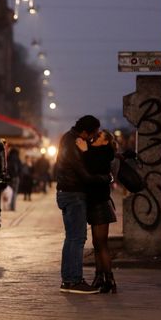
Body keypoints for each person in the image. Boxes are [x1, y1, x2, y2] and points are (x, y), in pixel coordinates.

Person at [55, 115, 111, 294]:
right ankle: (73, 280)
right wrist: (105, 178)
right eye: (93, 134)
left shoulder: (67, 138)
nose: (93, 137)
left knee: (71, 237)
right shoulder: (75, 142)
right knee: (77, 238)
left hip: (66, 192)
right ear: (86, 131)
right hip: (74, 194)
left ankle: (68, 279)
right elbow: (84, 173)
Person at [83, 129, 118, 293]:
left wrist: (84, 150)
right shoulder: (96, 152)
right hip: (94, 202)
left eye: (99, 136)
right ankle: (99, 277)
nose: (95, 137)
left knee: (102, 243)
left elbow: (92, 166)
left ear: (105, 141)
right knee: (97, 243)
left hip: (101, 203)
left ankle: (109, 279)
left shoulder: (105, 153)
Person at [6, 146, 22, 211]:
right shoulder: (18, 159)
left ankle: (9, 205)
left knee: (9, 192)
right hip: (16, 177)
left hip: (9, 177)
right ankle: (13, 207)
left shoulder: (8, 158)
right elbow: (21, 168)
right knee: (14, 192)